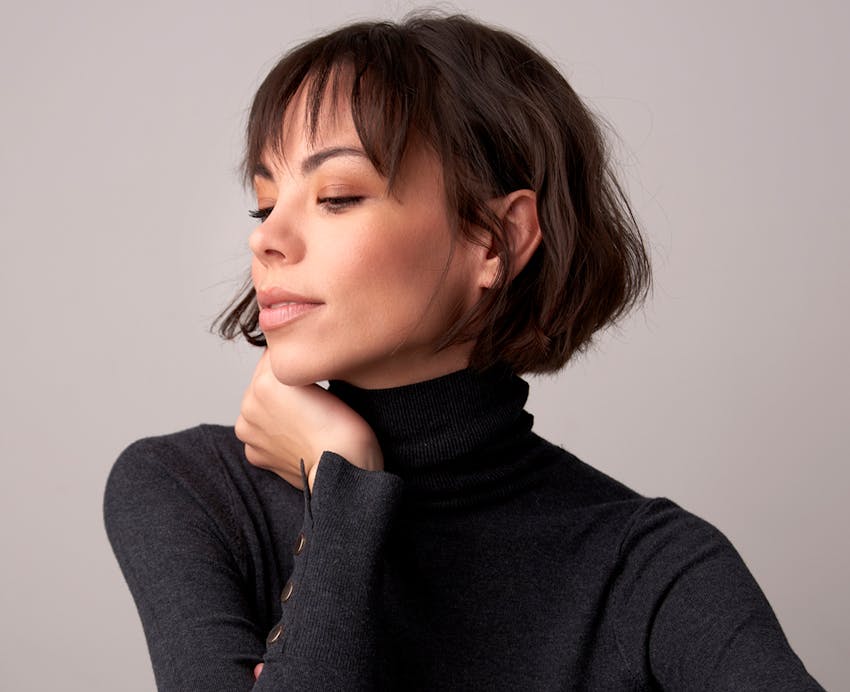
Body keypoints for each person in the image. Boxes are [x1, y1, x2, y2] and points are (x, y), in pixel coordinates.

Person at [103, 13, 824, 691]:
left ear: (495, 239)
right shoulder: (190, 491)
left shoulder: (651, 569)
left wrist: (340, 485)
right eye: (264, 204)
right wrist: (345, 485)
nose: (266, 237)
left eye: (338, 196)